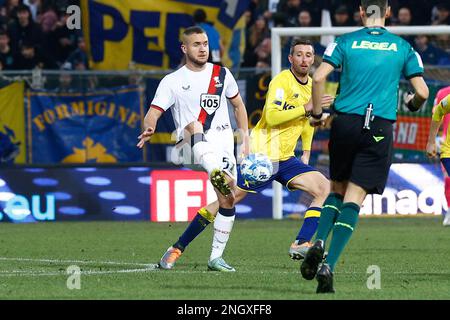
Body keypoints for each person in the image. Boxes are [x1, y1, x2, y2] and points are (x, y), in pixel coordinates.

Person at [158, 39, 333, 272]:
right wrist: (307, 107)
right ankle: (177, 247)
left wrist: (307, 151)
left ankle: (301, 242)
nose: (304, 59)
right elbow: (271, 117)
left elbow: (308, 123)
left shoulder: (312, 85)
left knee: (324, 188)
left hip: (287, 157)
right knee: (226, 200)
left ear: (313, 59)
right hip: (263, 157)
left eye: (308, 55)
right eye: (299, 55)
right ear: (290, 58)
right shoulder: (281, 81)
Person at [302, 0, 429, 293]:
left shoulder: (343, 42)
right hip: (379, 127)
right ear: (387, 13)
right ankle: (328, 265)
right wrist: (412, 102)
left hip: (345, 123)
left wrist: (319, 114)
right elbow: (421, 91)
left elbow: (319, 77)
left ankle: (318, 240)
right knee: (355, 198)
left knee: (336, 189)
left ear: (361, 12)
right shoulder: (404, 48)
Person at [137, 26, 250, 272]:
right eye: (196, 44)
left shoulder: (222, 74)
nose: (202, 48)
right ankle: (213, 171)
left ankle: (205, 255)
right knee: (194, 124)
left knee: (227, 200)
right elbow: (153, 113)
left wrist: (245, 139)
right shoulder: (173, 81)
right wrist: (149, 127)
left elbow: (239, 107)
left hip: (222, 149)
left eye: (205, 43)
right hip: (188, 147)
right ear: (184, 48)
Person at [425, 87, 450, 226]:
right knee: (448, 178)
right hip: (448, 144)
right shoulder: (443, 93)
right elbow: (436, 113)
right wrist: (432, 141)